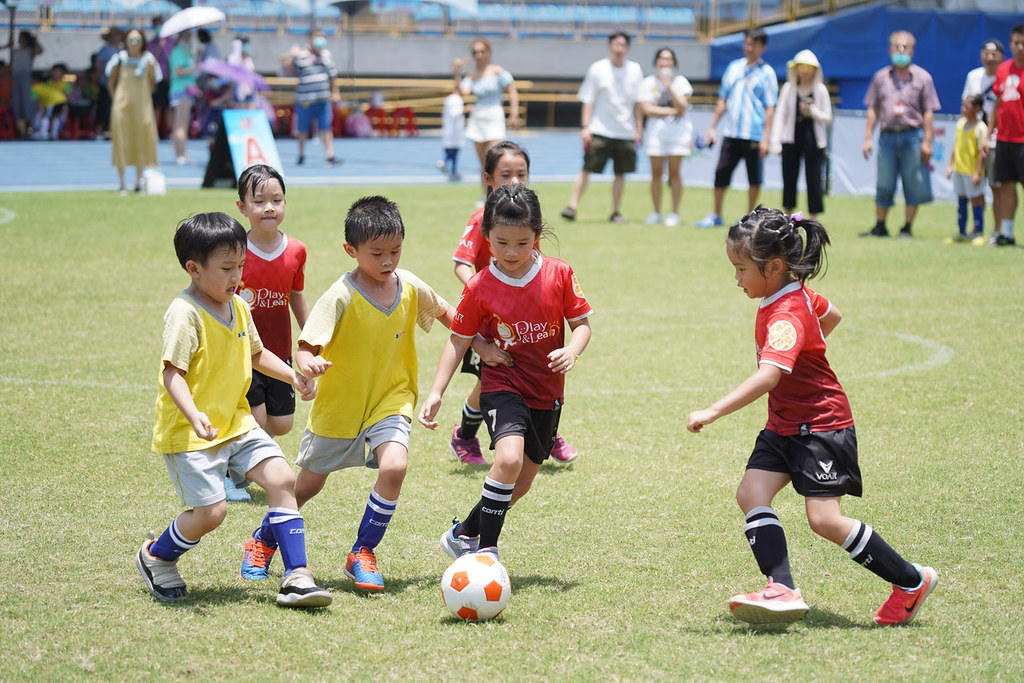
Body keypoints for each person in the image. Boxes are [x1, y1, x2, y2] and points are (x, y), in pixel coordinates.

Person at [685, 206, 938, 626]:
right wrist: (809, 348)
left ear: (776, 266)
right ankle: (781, 588)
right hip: (784, 423)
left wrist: (713, 410)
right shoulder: (792, 292)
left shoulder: (785, 314)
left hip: (820, 425)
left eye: (742, 268)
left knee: (824, 520)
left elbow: (769, 375)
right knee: (751, 493)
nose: (736, 278)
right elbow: (832, 316)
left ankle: (911, 581)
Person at [239, 196, 462, 592]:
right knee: (305, 487)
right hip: (340, 407)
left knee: (394, 467)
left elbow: (448, 313)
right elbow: (306, 346)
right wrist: (307, 364)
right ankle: (263, 540)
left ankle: (362, 551)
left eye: (395, 250)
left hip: (391, 400)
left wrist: (482, 341)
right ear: (351, 250)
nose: (388, 260)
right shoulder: (340, 295)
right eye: (376, 253)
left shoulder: (409, 285)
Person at [138, 212, 331, 608]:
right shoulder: (184, 313)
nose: (237, 277)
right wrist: (194, 415)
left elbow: (257, 354)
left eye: (240, 266)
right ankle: (157, 556)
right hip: (192, 432)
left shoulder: (238, 307)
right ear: (193, 269)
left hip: (237, 423)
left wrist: (294, 376)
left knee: (282, 479)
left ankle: (297, 576)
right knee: (211, 513)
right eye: (227, 268)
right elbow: (172, 374)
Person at [421, 184, 593, 563]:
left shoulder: (559, 273)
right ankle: (487, 552)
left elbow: (581, 325)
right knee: (509, 459)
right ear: (486, 237)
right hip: (503, 384)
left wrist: (572, 349)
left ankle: (463, 532)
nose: (511, 252)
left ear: (537, 235)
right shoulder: (480, 285)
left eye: (523, 242)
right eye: (501, 243)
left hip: (547, 393)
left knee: (521, 483)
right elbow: (458, 340)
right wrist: (435, 393)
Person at [450, 141, 580, 465]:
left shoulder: (526, 213)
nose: (515, 182)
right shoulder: (482, 217)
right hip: (489, 318)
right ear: (488, 178)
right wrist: (484, 292)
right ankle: (466, 435)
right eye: (506, 174)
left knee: (526, 373)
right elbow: (461, 264)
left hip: (523, 311)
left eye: (521, 174)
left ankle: (542, 426)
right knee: (492, 378)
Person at [222, 164, 308, 503]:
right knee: (255, 418)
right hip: (243, 353)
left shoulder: (297, 250)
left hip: (279, 350)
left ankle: (239, 459)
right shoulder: (234, 252)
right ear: (242, 208)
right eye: (259, 201)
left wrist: (309, 339)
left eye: (277, 199)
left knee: (282, 423)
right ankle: (229, 472)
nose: (269, 208)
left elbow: (296, 296)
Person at [860, 30, 940, 239]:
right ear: (890, 50)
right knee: (884, 181)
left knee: (913, 181)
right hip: (887, 136)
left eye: (905, 47)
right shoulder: (880, 77)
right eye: (897, 46)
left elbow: (929, 112)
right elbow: (873, 109)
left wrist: (928, 141)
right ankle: (880, 226)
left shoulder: (923, 78)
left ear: (912, 51)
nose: (901, 51)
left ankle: (906, 227)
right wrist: (868, 137)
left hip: (913, 136)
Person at [697, 28, 778, 228]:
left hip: (754, 134)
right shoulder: (733, 68)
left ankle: (750, 219)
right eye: (747, 43)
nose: (749, 47)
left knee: (754, 178)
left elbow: (770, 107)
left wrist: (766, 137)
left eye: (753, 44)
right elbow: (723, 99)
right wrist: (712, 127)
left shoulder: (767, 73)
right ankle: (716, 214)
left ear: (763, 47)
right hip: (731, 132)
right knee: (721, 173)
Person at [560, 32, 644, 224]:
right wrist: (585, 126)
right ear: (609, 46)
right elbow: (588, 99)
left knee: (620, 173)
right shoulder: (598, 68)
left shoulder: (635, 70)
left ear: (627, 48)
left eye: (623, 45)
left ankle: (615, 211)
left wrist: (639, 129)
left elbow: (638, 103)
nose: (619, 48)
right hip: (600, 129)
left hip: (626, 131)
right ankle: (572, 206)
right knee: (586, 168)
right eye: (616, 44)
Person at [770, 49, 832, 219]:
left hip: (814, 141)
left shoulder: (820, 90)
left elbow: (827, 117)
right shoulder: (788, 89)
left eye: (809, 68)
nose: (805, 73)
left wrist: (812, 111)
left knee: (813, 179)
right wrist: (775, 141)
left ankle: (813, 219)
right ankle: (787, 217)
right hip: (791, 140)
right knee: (789, 178)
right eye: (802, 68)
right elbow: (780, 115)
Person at [453, 39, 519, 197]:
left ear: (488, 52)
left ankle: (501, 194)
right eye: (475, 52)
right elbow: (463, 92)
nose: (479, 55)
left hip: (494, 115)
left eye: (482, 51)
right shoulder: (472, 75)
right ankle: (487, 197)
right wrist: (456, 73)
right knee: (483, 164)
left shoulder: (497, 71)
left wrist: (514, 112)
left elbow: (511, 89)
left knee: (496, 159)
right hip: (478, 117)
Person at [637, 47, 693, 227]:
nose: (665, 62)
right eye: (661, 58)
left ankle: (674, 212)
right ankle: (656, 212)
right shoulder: (648, 82)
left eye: (668, 59)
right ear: (655, 62)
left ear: (674, 63)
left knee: (675, 174)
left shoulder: (681, 82)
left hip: (678, 134)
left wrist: (669, 86)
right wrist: (671, 110)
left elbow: (683, 106)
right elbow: (647, 108)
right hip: (656, 134)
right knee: (656, 174)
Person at [106, 28, 160, 194]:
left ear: (143, 41)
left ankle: (138, 182)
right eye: (131, 39)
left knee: (142, 141)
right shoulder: (119, 59)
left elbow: (153, 85)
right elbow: (110, 82)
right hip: (122, 107)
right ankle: (122, 183)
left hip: (142, 107)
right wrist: (117, 100)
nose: (134, 43)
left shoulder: (149, 60)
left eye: (137, 40)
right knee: (121, 141)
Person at [962, 39, 1005, 244]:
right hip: (974, 139)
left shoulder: (1005, 76)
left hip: (997, 140)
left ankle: (998, 231)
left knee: (996, 188)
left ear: (1001, 57)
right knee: (975, 187)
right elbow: (965, 105)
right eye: (986, 53)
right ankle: (977, 229)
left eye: (994, 54)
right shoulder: (973, 76)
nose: (990, 58)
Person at [984, 24, 1024, 247]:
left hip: (1023, 140)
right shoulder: (1003, 69)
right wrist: (988, 134)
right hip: (1004, 139)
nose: (1020, 47)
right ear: (1010, 44)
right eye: (1016, 43)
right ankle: (1006, 234)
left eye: (1023, 44)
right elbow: (998, 105)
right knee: (1006, 186)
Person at [287, 29, 342, 166]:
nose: (321, 39)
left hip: (322, 100)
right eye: (318, 37)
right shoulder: (301, 56)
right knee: (302, 129)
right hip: (305, 101)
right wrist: (292, 57)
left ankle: (330, 155)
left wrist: (335, 93)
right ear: (310, 39)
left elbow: (333, 76)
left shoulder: (326, 56)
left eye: (322, 37)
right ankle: (301, 155)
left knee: (326, 128)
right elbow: (289, 71)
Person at [944, 94, 988, 243]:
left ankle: (979, 233)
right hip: (959, 169)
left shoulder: (981, 128)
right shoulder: (960, 124)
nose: (963, 109)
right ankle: (962, 233)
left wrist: (977, 173)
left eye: (967, 107)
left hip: (972, 171)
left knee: (976, 201)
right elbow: (956, 146)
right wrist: (950, 165)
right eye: (963, 106)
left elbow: (982, 153)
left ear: (977, 109)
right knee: (961, 199)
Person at [169, 30, 199, 165]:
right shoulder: (178, 51)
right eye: (186, 36)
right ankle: (180, 154)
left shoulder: (186, 51)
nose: (189, 39)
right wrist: (195, 68)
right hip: (181, 91)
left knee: (181, 124)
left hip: (187, 91)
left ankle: (181, 153)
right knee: (181, 124)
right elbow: (178, 71)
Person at [6, 30, 43, 137]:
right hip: (15, 77)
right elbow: (10, 65)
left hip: (26, 78)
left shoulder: (29, 51)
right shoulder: (15, 51)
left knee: (27, 103)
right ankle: (20, 130)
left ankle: (29, 128)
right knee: (17, 103)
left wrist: (36, 40)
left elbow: (40, 50)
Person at [94, 27, 122, 140]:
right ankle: (99, 131)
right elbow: (98, 65)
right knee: (103, 107)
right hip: (105, 84)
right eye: (113, 35)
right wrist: (97, 77)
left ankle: (112, 130)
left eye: (117, 35)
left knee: (116, 108)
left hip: (119, 85)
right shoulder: (105, 50)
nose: (115, 37)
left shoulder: (123, 51)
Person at [437, 87, 465, 182]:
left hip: (450, 130)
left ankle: (452, 170)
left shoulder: (448, 99)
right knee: (454, 153)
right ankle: (447, 165)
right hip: (454, 131)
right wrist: (466, 109)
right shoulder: (456, 99)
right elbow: (455, 113)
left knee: (451, 152)